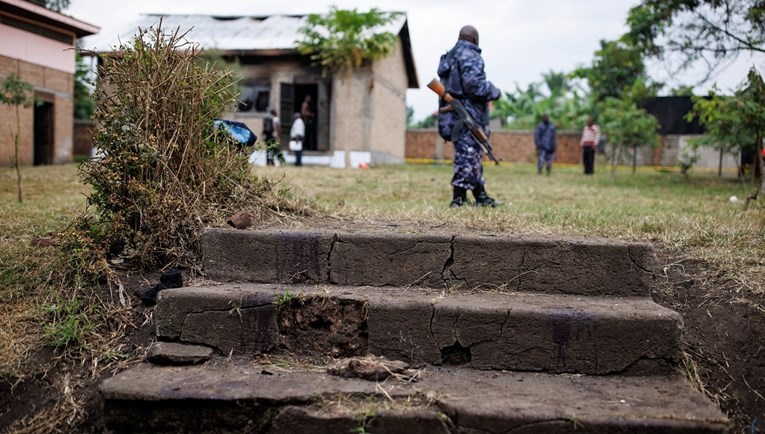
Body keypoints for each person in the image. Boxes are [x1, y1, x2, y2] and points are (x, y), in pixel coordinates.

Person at [437, 25, 501, 208]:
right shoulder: (470, 55)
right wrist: (494, 91)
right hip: (468, 113)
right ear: (475, 40)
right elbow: (475, 86)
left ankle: (480, 194)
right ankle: (458, 198)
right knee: (468, 154)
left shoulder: (451, 56)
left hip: (457, 113)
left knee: (472, 153)